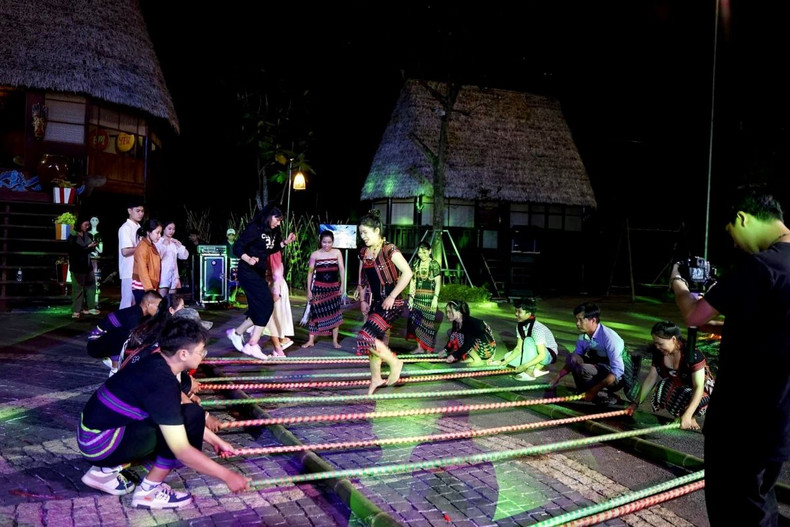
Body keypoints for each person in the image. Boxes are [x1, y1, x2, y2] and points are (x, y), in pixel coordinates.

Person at [671, 187, 790, 526]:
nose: (735, 243)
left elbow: (694, 314)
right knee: (760, 507)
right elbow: (776, 325)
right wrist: (731, 328)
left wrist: (678, 283)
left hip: (741, 424)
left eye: (733, 233)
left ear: (742, 219)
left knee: (731, 512)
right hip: (778, 422)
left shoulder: (759, 266)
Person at [77, 317, 249, 509]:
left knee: (189, 416)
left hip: (92, 437)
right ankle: (149, 491)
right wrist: (228, 476)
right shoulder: (161, 382)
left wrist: (217, 441)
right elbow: (182, 450)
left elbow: (176, 407)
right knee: (188, 422)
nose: (204, 356)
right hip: (100, 443)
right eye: (202, 352)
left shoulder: (156, 361)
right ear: (183, 354)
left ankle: (104, 471)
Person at [226, 204, 295, 359]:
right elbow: (238, 247)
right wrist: (248, 259)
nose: (278, 223)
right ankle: (252, 344)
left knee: (259, 308)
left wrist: (284, 243)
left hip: (259, 272)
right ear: (269, 216)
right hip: (247, 271)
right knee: (267, 305)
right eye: (277, 219)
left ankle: (237, 333)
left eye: (280, 221)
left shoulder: (274, 231)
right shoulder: (254, 228)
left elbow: (271, 249)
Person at [354, 209, 412, 395]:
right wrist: (363, 299)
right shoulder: (364, 252)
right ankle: (376, 378)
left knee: (365, 335)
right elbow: (363, 277)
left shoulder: (389, 249)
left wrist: (393, 295)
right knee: (373, 344)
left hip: (391, 303)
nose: (362, 236)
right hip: (375, 303)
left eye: (366, 232)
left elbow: (408, 273)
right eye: (360, 233)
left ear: (377, 230)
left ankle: (395, 362)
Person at [627, 321, 714, 431]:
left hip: (704, 392)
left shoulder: (693, 355)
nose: (657, 347)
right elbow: (651, 379)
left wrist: (688, 414)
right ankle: (682, 416)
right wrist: (635, 403)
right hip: (681, 386)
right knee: (664, 386)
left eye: (660, 344)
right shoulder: (658, 354)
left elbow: (699, 387)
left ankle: (690, 417)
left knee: (688, 393)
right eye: (655, 344)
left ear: (673, 339)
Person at [549, 302, 640, 406]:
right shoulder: (584, 337)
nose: (577, 323)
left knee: (584, 369)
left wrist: (594, 390)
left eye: (581, 320)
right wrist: (557, 377)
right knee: (572, 358)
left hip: (616, 377)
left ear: (593, 320)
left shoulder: (609, 338)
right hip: (600, 368)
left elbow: (617, 371)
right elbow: (573, 361)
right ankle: (585, 392)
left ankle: (602, 394)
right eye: (576, 320)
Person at [86, 290, 163, 376]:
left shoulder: (141, 314)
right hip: (95, 345)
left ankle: (114, 360)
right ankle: (115, 369)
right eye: (157, 306)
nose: (159, 309)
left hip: (105, 342)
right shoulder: (133, 317)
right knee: (124, 334)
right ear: (148, 304)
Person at [487, 297, 557, 381]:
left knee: (528, 340)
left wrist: (524, 366)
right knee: (507, 356)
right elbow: (518, 348)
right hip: (534, 352)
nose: (516, 314)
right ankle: (536, 369)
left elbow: (542, 355)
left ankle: (531, 372)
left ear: (529, 313)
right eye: (515, 311)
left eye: (519, 312)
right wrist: (504, 362)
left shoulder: (537, 328)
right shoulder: (520, 326)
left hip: (547, 355)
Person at [302, 230, 345, 349]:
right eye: (324, 242)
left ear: (333, 242)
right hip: (318, 288)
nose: (327, 245)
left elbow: (341, 269)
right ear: (320, 242)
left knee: (335, 314)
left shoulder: (337, 253)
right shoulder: (315, 255)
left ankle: (335, 341)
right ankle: (310, 340)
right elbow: (310, 273)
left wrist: (342, 285)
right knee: (314, 314)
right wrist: (309, 290)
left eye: (329, 242)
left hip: (333, 288)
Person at [406, 241, 442, 353]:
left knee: (428, 325)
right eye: (420, 252)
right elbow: (413, 281)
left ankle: (429, 349)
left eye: (424, 252)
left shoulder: (434, 264)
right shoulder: (416, 263)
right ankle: (420, 348)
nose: (422, 254)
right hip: (417, 298)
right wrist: (411, 298)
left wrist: (435, 298)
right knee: (416, 323)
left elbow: (438, 283)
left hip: (429, 299)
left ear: (430, 251)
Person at [437, 300, 497, 365]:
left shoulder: (469, 323)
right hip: (478, 345)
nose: (447, 315)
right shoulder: (456, 321)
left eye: (450, 312)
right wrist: (445, 350)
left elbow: (468, 344)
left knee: (460, 336)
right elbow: (452, 337)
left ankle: (477, 359)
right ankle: (473, 356)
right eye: (447, 312)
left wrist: (454, 356)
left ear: (459, 312)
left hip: (487, 349)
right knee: (452, 333)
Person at [262, 251, 295, 356]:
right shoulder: (268, 248)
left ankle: (278, 348)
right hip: (272, 283)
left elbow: (277, 270)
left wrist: (276, 291)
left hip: (275, 285)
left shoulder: (272, 249)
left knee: (271, 317)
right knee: (272, 317)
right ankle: (281, 341)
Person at [68, 217, 100, 319]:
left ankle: (90, 307)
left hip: (87, 265)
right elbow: (76, 251)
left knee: (91, 286)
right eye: (85, 224)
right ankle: (76, 310)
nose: (87, 226)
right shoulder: (72, 236)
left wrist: (93, 246)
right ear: (79, 224)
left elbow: (88, 248)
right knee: (78, 289)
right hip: (78, 266)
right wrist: (88, 248)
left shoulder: (87, 235)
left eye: (88, 225)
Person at [118, 198, 145, 308]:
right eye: (138, 211)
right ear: (129, 211)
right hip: (129, 270)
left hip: (138, 270)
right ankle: (120, 324)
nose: (141, 214)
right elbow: (125, 251)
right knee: (127, 302)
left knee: (136, 302)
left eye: (142, 211)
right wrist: (142, 246)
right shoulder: (125, 228)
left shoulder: (139, 227)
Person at [132, 219, 163, 306]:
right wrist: (150, 291)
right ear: (148, 232)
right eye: (157, 233)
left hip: (148, 287)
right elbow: (143, 271)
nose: (159, 236)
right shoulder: (142, 247)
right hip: (142, 287)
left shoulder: (151, 246)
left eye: (160, 233)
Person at [156, 220, 189, 299]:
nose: (172, 231)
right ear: (164, 229)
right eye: (169, 229)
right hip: (163, 275)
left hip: (173, 276)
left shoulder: (173, 242)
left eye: (173, 229)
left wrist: (179, 245)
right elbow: (157, 257)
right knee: (161, 300)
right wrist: (164, 245)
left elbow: (184, 256)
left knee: (172, 300)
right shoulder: (158, 241)